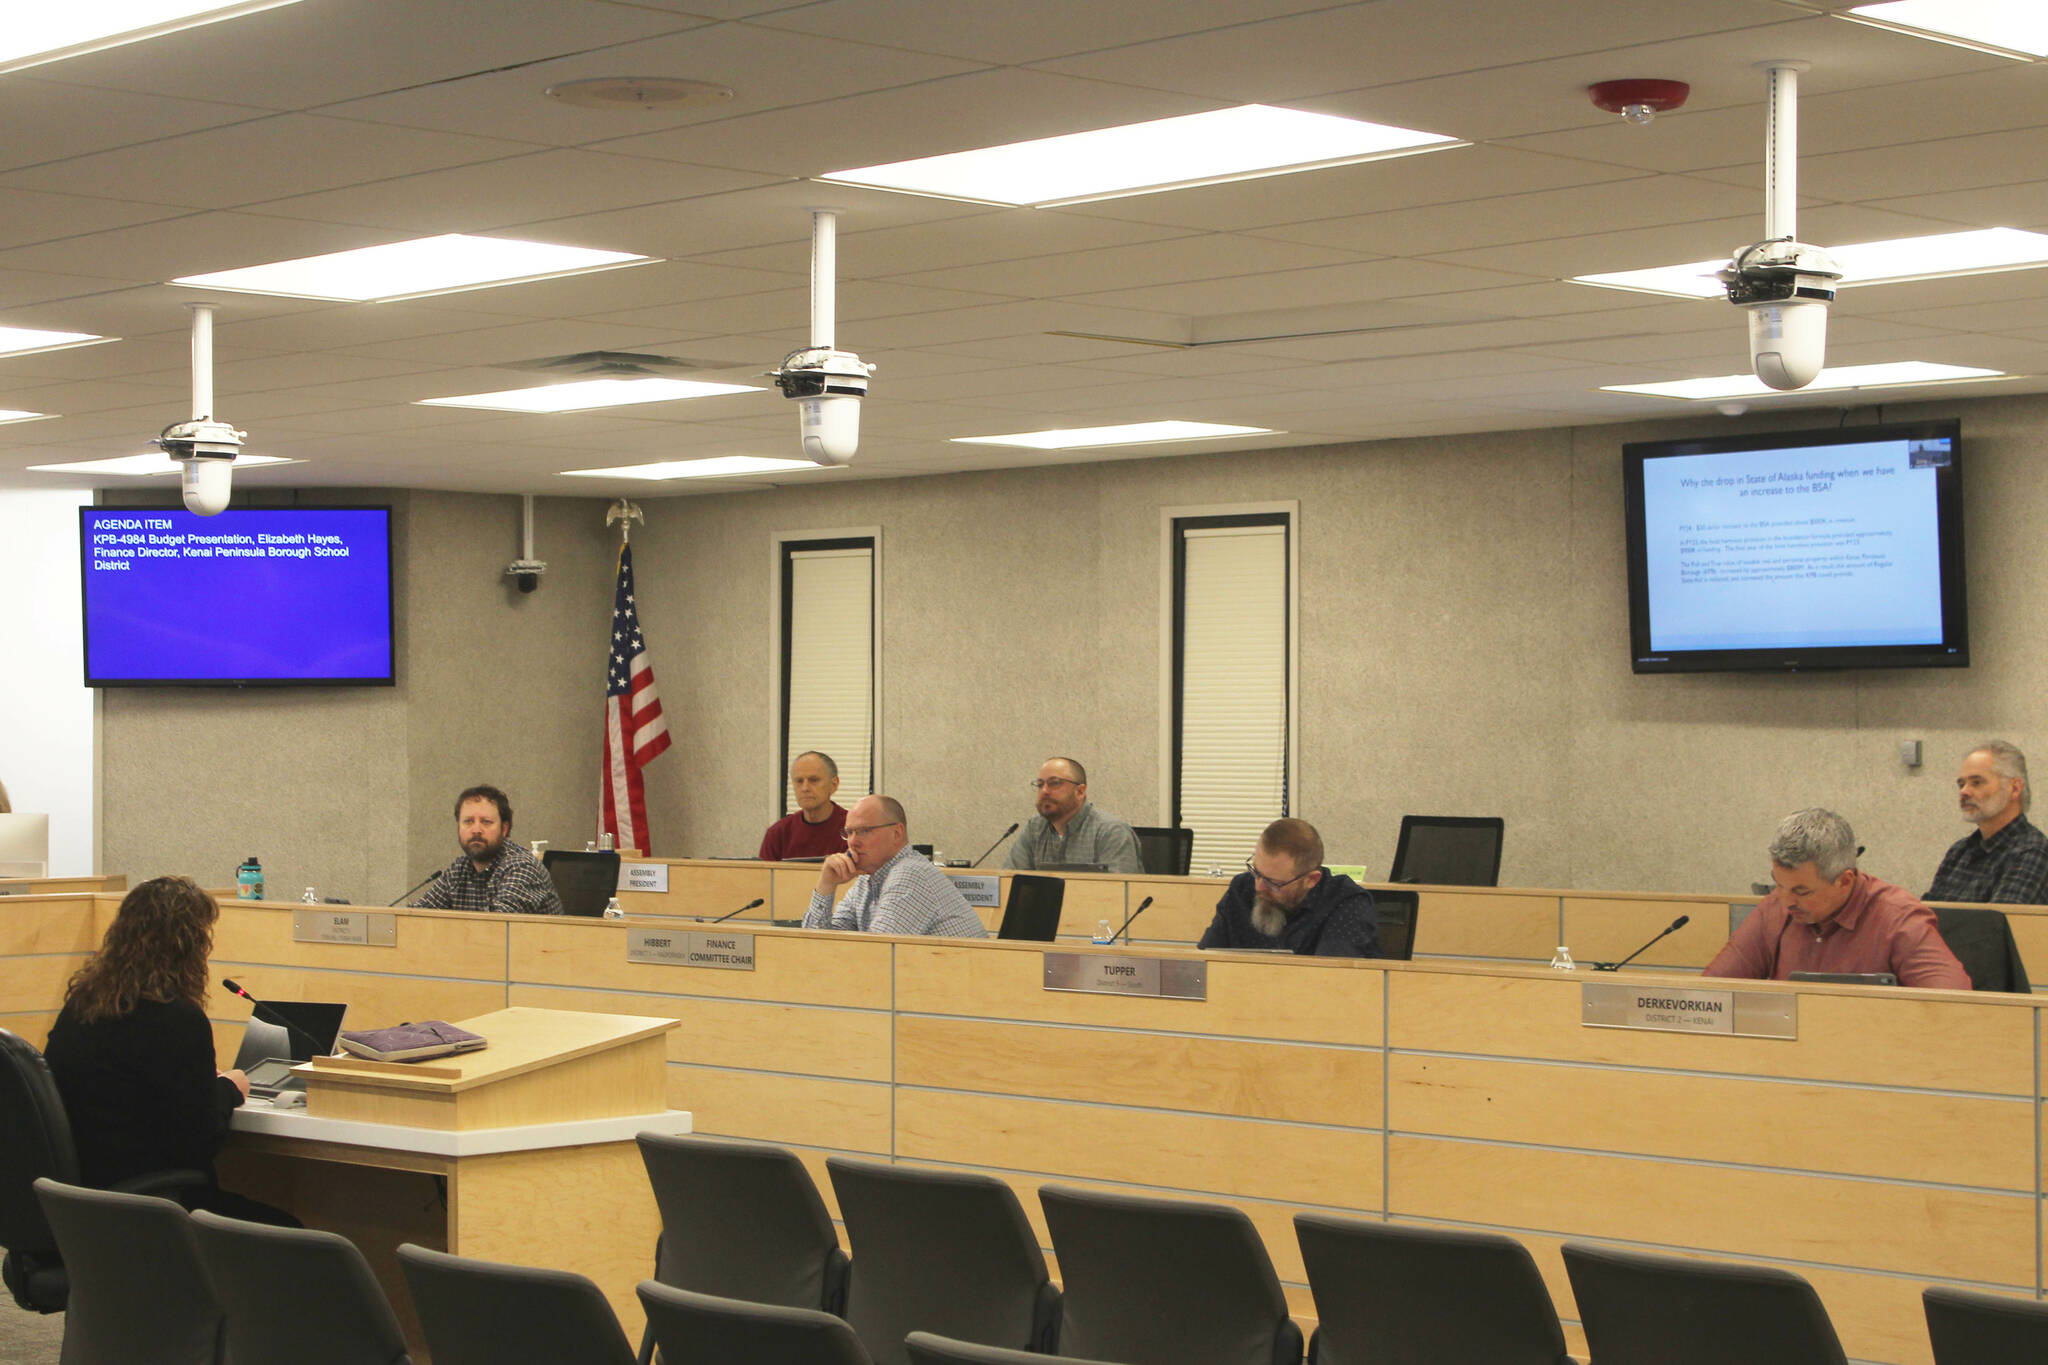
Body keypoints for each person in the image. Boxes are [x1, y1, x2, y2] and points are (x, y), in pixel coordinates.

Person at [43, 875, 298, 1224]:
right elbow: (201, 1139)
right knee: (290, 1232)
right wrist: (228, 1089)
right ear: (189, 946)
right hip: (156, 1207)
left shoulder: (81, 1006)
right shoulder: (176, 1018)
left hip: (81, 1205)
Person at [1705, 808, 1970, 988]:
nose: (1786, 902)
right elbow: (1712, 991)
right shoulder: (1774, 909)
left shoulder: (1898, 919)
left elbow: (1951, 1004)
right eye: (1778, 885)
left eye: (1802, 891)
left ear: (1844, 881)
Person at [803, 795, 987, 937]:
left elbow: (877, 956)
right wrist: (826, 886)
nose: (853, 842)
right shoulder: (867, 878)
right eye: (849, 832)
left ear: (897, 833)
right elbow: (819, 946)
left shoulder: (911, 874)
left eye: (864, 831)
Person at [1197, 818, 1379, 956]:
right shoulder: (1241, 890)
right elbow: (1204, 964)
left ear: (1311, 880)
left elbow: (1331, 983)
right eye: (1256, 872)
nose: (1259, 886)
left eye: (1273, 882)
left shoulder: (1346, 903)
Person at [1925, 741, 2048, 905]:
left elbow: (1998, 923)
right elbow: (1928, 916)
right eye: (1961, 784)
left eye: (1976, 782)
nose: (1964, 792)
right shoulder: (1959, 852)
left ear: (2014, 788)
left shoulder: (2032, 851)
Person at [413, 784, 563, 915]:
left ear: (504, 829)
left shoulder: (522, 867)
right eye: (468, 821)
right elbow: (416, 917)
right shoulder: (458, 870)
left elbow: (497, 928)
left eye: (486, 822)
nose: (476, 830)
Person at [1004, 757, 1143, 873]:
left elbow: (1120, 895)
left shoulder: (1111, 832)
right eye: (1040, 785)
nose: (1044, 791)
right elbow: (1009, 882)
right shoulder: (1034, 828)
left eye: (1054, 783)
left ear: (1080, 792)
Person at [758, 751, 849, 860]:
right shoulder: (778, 833)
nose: (805, 788)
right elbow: (764, 876)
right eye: (799, 781)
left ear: (834, 784)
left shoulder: (853, 829)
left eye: (814, 780)